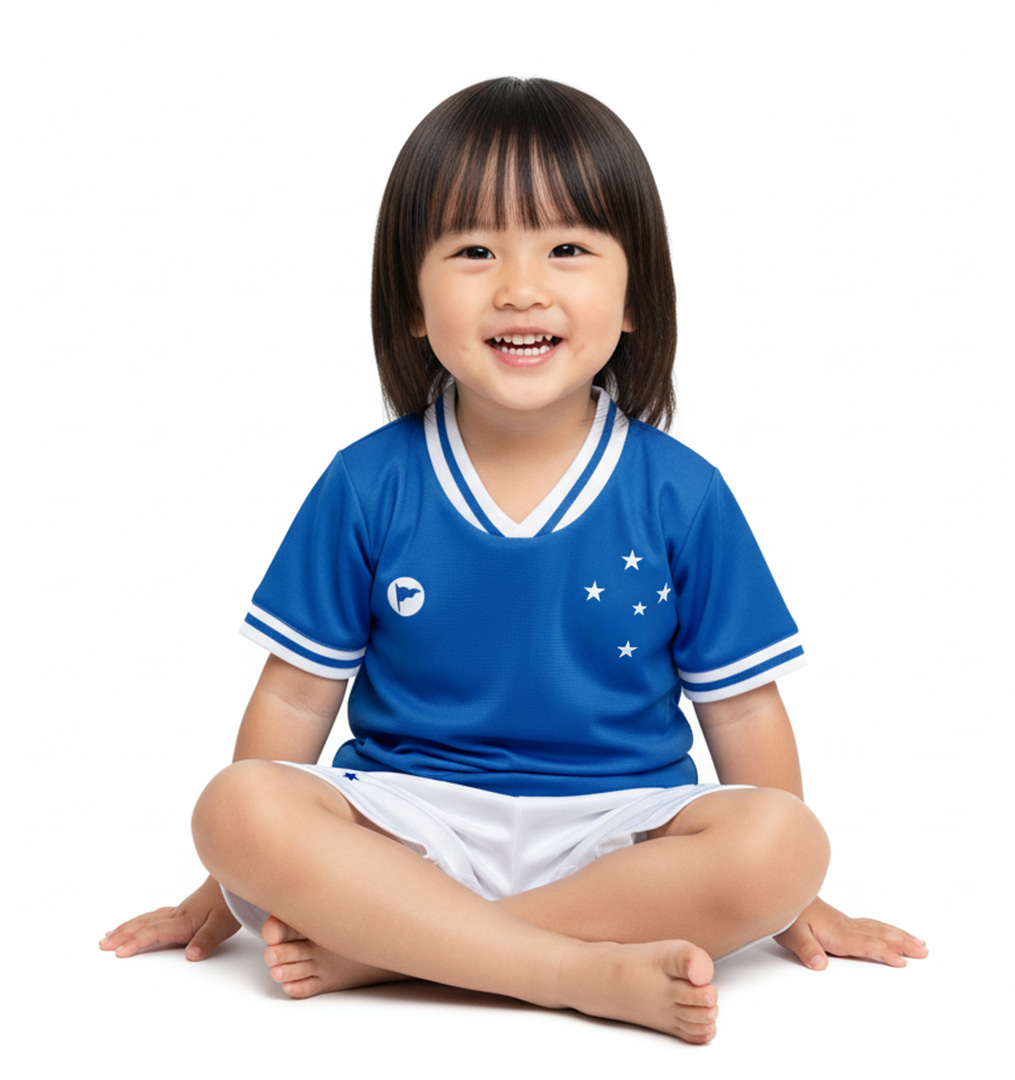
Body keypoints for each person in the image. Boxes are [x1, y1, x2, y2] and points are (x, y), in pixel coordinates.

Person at [100, 76, 927, 1045]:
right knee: (236, 807)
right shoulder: (368, 483)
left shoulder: (682, 493)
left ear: (635, 298)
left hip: (620, 832)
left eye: (567, 248)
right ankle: (567, 969)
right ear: (412, 303)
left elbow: (741, 708)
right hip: (404, 826)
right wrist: (226, 876)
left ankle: (397, 951)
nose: (521, 287)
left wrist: (792, 896)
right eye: (474, 250)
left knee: (784, 842)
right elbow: (293, 697)